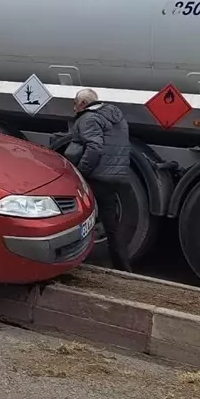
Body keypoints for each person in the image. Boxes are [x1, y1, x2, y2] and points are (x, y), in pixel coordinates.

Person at [61, 88, 133, 272]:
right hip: (116, 176)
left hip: (98, 176)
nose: (74, 108)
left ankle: (71, 259)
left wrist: (81, 172)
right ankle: (123, 267)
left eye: (75, 104)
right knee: (111, 223)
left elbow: (94, 148)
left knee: (77, 216)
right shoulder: (115, 116)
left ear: (83, 104)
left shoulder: (89, 118)